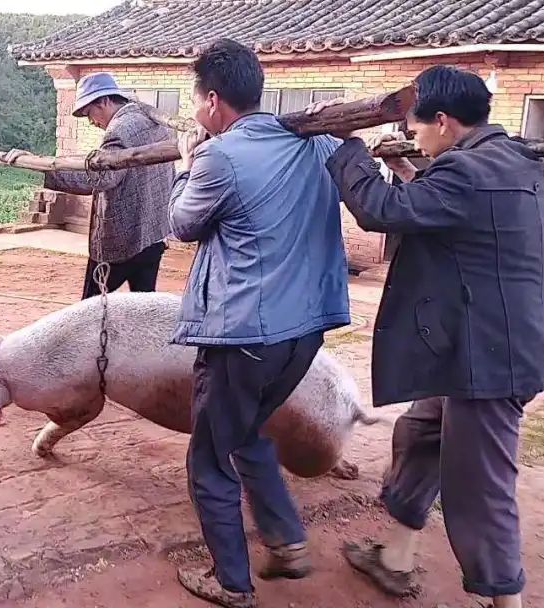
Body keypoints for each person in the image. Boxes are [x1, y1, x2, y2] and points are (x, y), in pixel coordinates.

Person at [307, 65, 544, 608]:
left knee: (480, 488)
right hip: (485, 345)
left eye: (418, 130)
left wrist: (346, 146)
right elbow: (460, 214)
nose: (415, 139)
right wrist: (411, 171)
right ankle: (395, 560)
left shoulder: (467, 173)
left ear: (443, 121)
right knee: (420, 436)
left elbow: (379, 211)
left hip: (489, 365)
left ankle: (505, 601)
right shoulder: (513, 158)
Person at [168, 39, 352, 608]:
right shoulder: (317, 142)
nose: (196, 111)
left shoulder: (218, 157)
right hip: (306, 333)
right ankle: (287, 541)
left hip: (245, 334)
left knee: (208, 459)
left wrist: (183, 163)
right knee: (245, 432)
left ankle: (232, 584)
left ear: (214, 100)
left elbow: (182, 224)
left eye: (195, 101)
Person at [33, 72, 174, 299]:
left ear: (105, 101)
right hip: (153, 237)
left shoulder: (119, 130)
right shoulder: (152, 118)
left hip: (122, 243)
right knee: (142, 307)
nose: (92, 122)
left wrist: (46, 173)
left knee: (90, 308)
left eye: (90, 113)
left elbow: (101, 177)